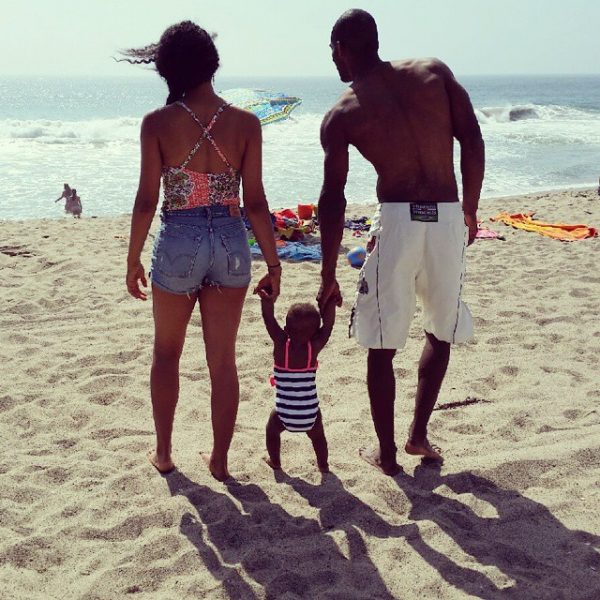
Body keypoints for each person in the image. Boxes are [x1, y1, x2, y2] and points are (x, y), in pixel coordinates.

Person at [317, 9, 485, 476]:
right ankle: (417, 435)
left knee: (382, 342)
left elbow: (332, 199)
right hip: (447, 216)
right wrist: (469, 208)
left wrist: (328, 273)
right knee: (441, 327)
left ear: (342, 49)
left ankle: (387, 453)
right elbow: (472, 138)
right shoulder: (434, 72)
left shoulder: (343, 112)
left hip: (396, 222)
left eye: (332, 53)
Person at [122, 21, 281, 481]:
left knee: (167, 353)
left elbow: (147, 200)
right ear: (211, 62)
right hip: (231, 241)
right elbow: (256, 202)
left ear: (169, 68)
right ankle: (219, 460)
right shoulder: (247, 123)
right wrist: (272, 263)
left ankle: (166, 453)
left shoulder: (157, 123)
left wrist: (132, 257)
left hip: (179, 241)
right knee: (223, 360)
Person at [259, 295, 336, 473]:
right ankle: (323, 465)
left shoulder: (281, 345)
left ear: (286, 329)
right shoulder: (314, 347)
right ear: (315, 333)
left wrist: (266, 299)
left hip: (284, 413)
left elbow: (268, 319)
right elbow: (329, 327)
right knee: (318, 438)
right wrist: (330, 302)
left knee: (272, 431)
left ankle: (275, 461)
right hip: (310, 413)